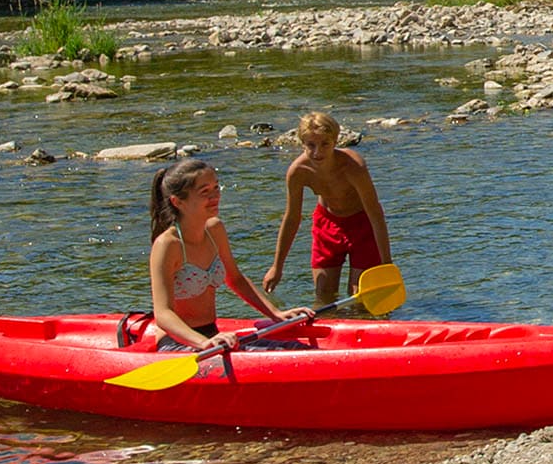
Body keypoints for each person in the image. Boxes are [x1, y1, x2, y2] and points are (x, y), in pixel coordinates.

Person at [146, 157, 288, 350]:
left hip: (212, 334)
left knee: (294, 349)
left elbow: (235, 279)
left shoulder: (215, 229)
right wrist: (204, 343)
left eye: (216, 188)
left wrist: (276, 314)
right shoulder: (167, 245)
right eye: (205, 192)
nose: (215, 197)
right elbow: (162, 314)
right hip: (177, 343)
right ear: (178, 202)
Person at [262, 111, 395, 311]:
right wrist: (277, 266)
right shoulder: (298, 172)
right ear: (302, 144)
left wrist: (386, 264)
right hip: (327, 224)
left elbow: (375, 213)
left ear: (335, 141)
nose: (317, 152)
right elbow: (292, 218)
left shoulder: (353, 166)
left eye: (324, 144)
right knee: (324, 296)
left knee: (359, 297)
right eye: (311, 145)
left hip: (362, 224)